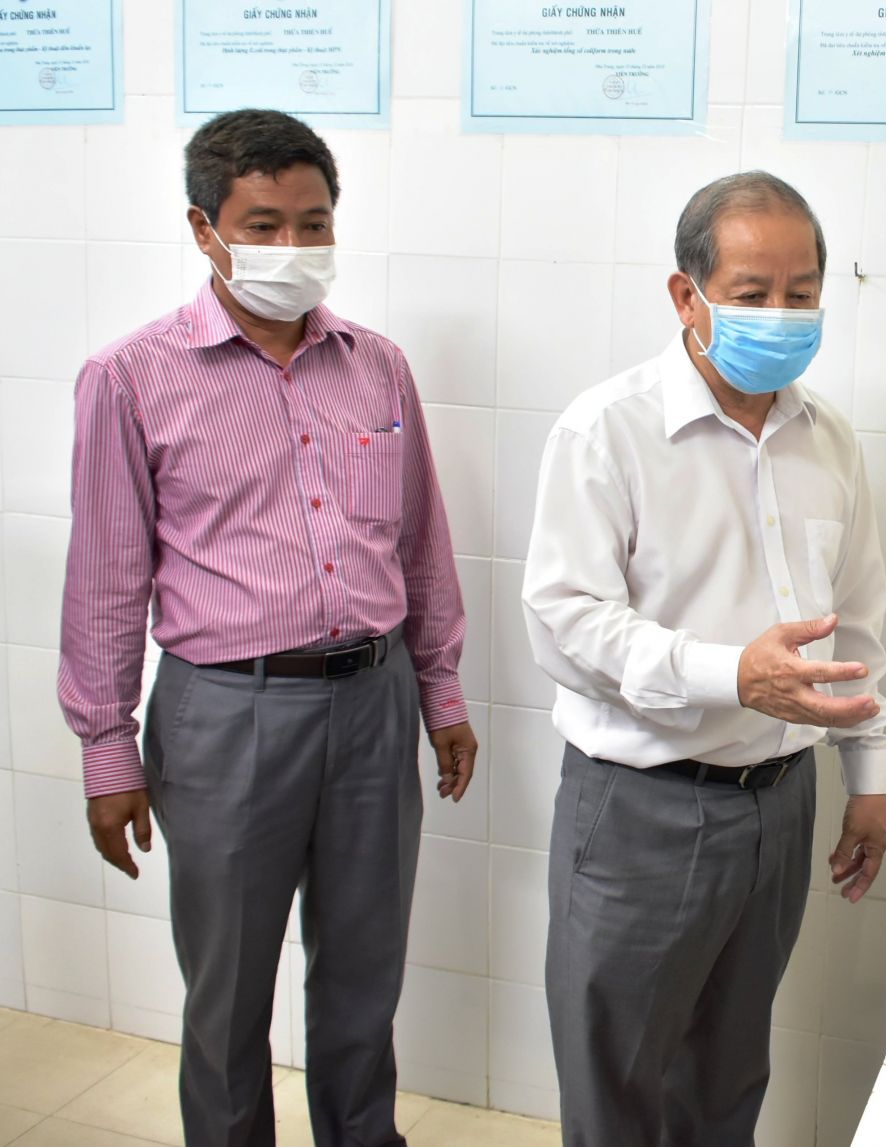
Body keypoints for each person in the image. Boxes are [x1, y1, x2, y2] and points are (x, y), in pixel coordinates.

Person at [57, 108, 479, 1147]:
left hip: (374, 702)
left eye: (313, 223)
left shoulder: (378, 366)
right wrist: (107, 747)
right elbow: (106, 578)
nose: (293, 247)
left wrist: (442, 693)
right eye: (264, 226)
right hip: (227, 714)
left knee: (365, 978)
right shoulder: (131, 377)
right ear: (204, 229)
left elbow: (420, 543)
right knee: (228, 993)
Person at [522, 171, 886, 1146]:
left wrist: (867, 779)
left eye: (801, 292)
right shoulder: (608, 430)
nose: (781, 314)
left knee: (728, 1081)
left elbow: (856, 624)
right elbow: (564, 618)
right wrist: (730, 674)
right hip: (643, 806)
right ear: (686, 296)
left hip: (780, 802)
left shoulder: (828, 441)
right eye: (751, 292)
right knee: (617, 1086)